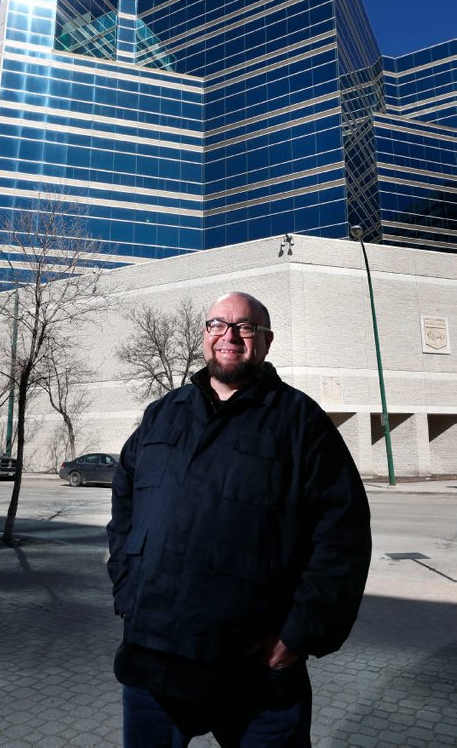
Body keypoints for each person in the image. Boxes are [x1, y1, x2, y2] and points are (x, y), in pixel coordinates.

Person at [107, 291, 372, 747]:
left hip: (256, 672)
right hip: (154, 658)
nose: (229, 336)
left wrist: (299, 631)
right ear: (205, 336)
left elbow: (342, 533)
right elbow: (125, 502)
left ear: (266, 342)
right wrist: (127, 584)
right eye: (217, 325)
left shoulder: (300, 422)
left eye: (244, 327)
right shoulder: (162, 415)